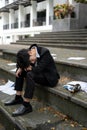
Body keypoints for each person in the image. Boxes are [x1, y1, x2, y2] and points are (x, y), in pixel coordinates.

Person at [4, 44, 60, 116]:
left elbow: (39, 69)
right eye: (31, 61)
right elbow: (20, 62)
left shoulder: (45, 52)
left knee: (30, 74)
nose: (32, 62)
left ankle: (26, 105)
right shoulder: (28, 52)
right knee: (20, 71)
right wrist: (20, 68)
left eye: (31, 60)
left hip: (49, 78)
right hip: (39, 76)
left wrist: (29, 67)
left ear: (30, 53)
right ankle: (18, 97)